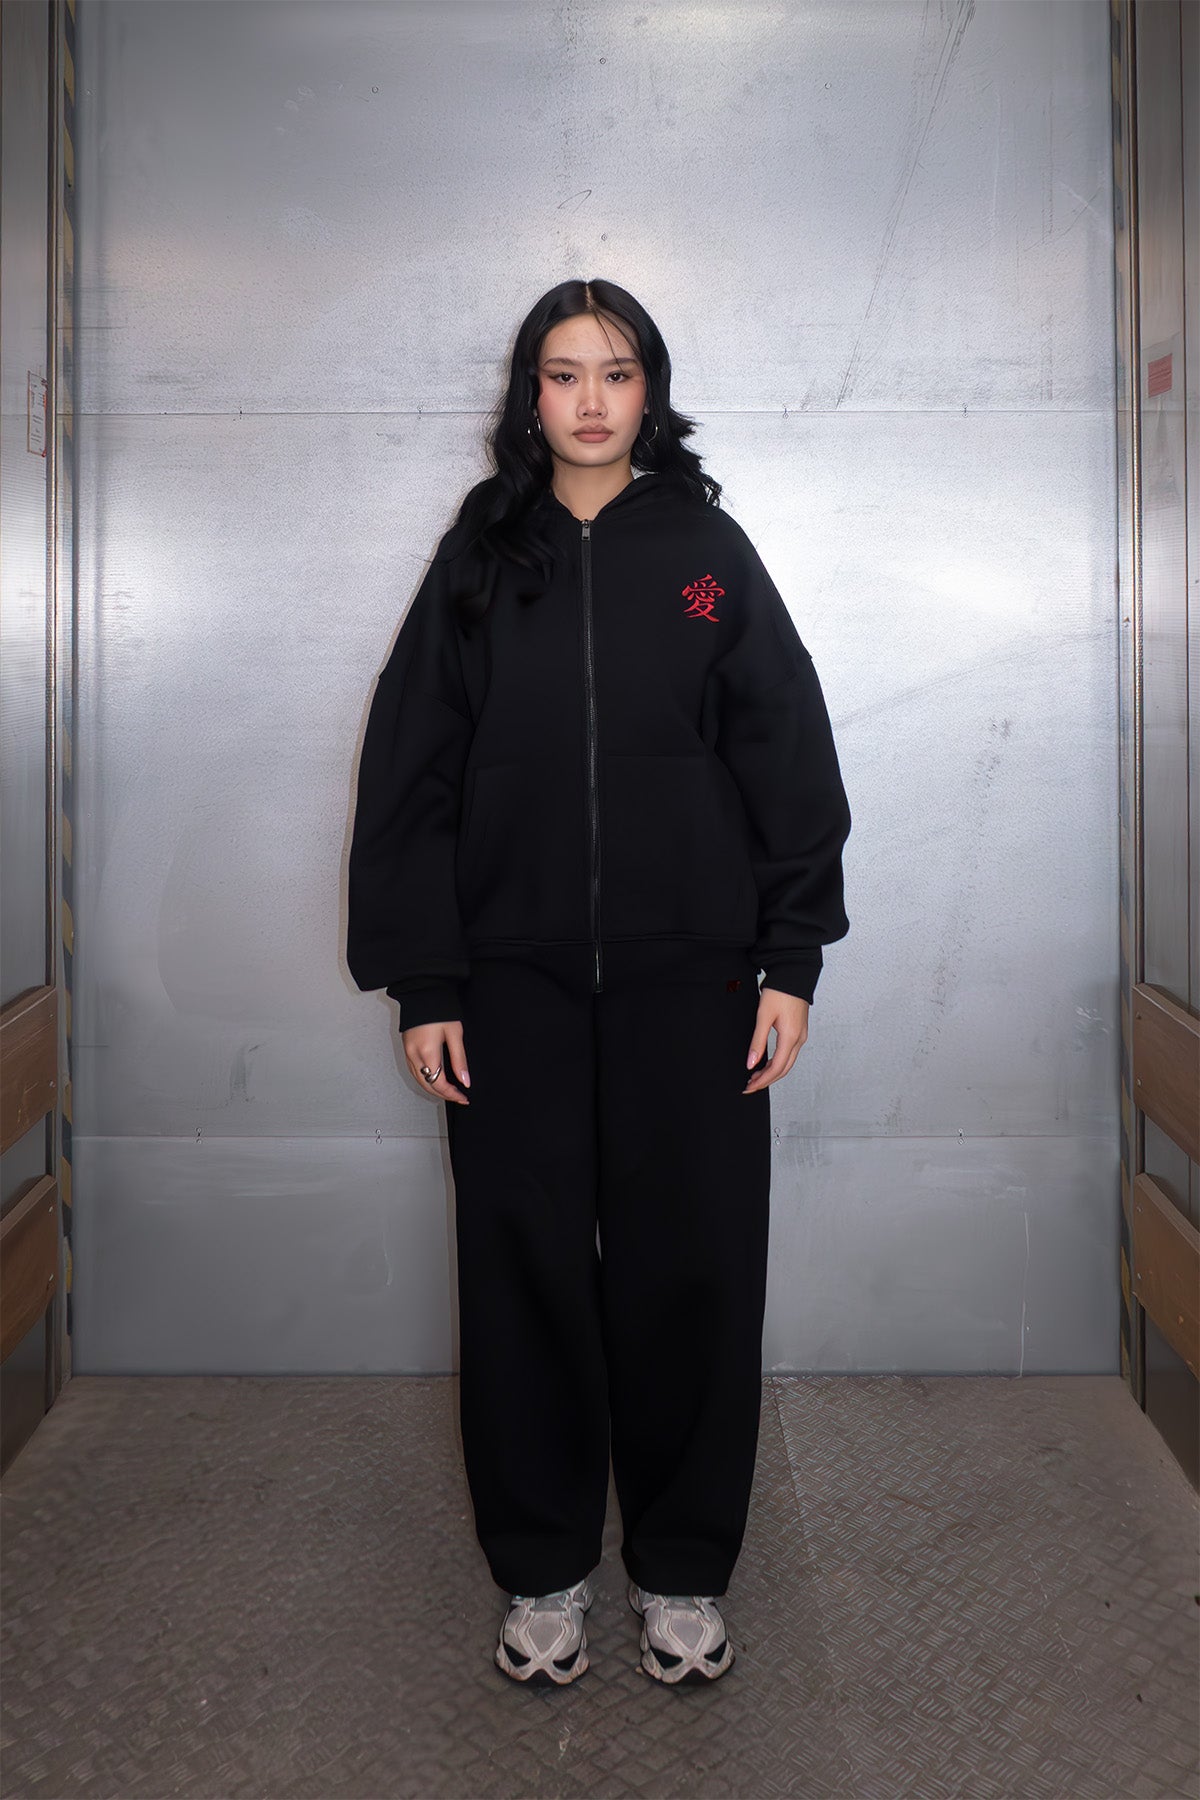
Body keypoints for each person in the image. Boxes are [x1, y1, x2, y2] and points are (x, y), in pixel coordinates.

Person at [346, 277, 851, 1687]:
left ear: (650, 391)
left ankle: (682, 1569)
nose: (589, 399)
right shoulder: (480, 553)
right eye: (563, 373)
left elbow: (786, 752)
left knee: (694, 1268)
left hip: (695, 985)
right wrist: (428, 982)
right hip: (509, 990)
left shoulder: (706, 555)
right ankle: (544, 1568)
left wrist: (791, 956)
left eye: (616, 372)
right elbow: (411, 771)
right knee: (523, 1276)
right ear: (529, 394)